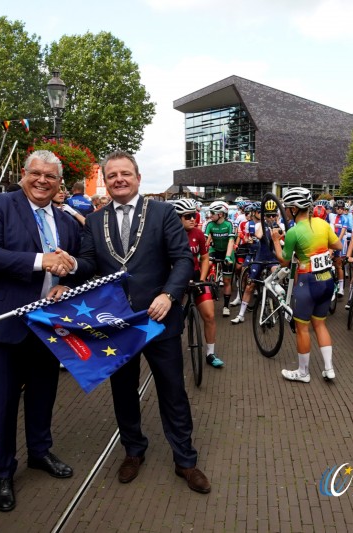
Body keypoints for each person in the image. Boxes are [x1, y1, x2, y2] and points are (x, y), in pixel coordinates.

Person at [72, 150, 210, 494]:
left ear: (137, 177)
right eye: (112, 175)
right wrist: (70, 267)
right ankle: (133, 450)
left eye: (125, 174)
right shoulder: (94, 220)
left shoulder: (162, 213)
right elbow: (89, 264)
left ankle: (186, 460)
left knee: (172, 390)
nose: (119, 179)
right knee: (123, 391)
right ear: (105, 180)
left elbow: (182, 259)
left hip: (158, 318)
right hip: (116, 323)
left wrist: (169, 294)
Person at [0, 150, 81, 512]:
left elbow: (72, 265)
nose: (43, 181)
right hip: (2, 325)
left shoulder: (65, 221)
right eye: (37, 174)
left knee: (42, 396)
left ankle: (39, 453)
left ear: (59, 183)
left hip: (47, 327)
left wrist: (68, 280)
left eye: (51, 176)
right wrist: (38, 261)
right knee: (0, 403)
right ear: (23, 174)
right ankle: (2, 472)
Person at [270, 187, 342, 383]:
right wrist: (320, 248)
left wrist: (276, 240)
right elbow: (338, 246)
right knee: (320, 324)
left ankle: (303, 373)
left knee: (302, 328)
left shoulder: (293, 232)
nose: (285, 211)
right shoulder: (322, 224)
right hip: (327, 280)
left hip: (307, 282)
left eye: (286, 208)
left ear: (294, 208)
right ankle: (329, 368)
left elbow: (284, 261)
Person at [174, 198, 222, 368]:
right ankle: (172, 351)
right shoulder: (169, 235)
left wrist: (202, 280)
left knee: (209, 315)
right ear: (178, 218)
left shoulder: (199, 234)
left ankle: (210, 353)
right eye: (188, 216)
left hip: (196, 275)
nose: (193, 219)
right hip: (176, 278)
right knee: (174, 318)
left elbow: (205, 258)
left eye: (194, 215)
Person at [205, 200, 236, 315]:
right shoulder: (209, 224)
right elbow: (204, 240)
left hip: (227, 252)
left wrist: (228, 257)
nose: (210, 215)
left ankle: (226, 306)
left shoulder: (229, 224)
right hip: (215, 250)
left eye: (212, 213)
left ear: (221, 214)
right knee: (206, 263)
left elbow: (231, 241)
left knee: (227, 281)